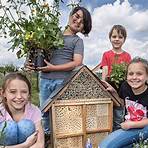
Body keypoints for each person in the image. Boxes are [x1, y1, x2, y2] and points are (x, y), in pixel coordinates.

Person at [26, 6, 92, 135]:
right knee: (44, 111)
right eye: (77, 16)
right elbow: (36, 51)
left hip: (63, 81)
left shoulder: (77, 41)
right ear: (70, 15)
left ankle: (61, 137)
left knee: (61, 112)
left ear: (83, 28)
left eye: (82, 21)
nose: (78, 21)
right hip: (45, 80)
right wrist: (29, 63)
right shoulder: (51, 35)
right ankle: (47, 136)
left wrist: (53, 68)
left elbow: (77, 62)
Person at [99, 57, 148, 148]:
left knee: (106, 146)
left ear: (147, 76)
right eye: (130, 74)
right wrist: (114, 92)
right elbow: (122, 103)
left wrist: (133, 124)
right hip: (129, 127)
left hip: (144, 128)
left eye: (139, 74)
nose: (134, 77)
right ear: (126, 76)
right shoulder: (125, 87)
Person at [0, 72, 44, 148]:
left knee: (26, 125)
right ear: (3, 93)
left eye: (24, 92)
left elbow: (40, 144)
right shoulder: (1, 111)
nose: (19, 96)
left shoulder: (34, 111)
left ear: (29, 94)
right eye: (13, 92)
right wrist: (25, 145)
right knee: (8, 127)